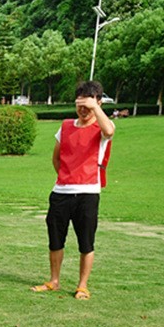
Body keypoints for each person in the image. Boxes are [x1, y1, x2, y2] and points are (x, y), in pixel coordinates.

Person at [31, 80, 114, 300]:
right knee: (55, 238)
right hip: (61, 192)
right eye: (80, 105)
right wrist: (65, 178)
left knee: (86, 241)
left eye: (88, 106)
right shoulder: (66, 126)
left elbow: (110, 130)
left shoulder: (101, 127)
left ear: (98, 103)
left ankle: (82, 286)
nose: (83, 110)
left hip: (88, 193)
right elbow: (57, 157)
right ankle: (54, 280)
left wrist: (95, 106)